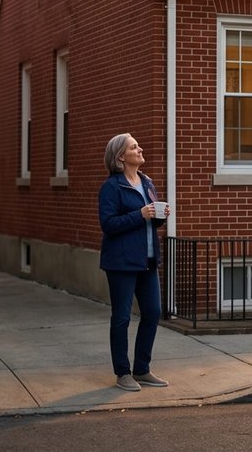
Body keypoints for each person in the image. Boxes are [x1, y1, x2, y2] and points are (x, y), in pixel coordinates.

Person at [98, 132, 170, 391]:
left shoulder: (147, 182)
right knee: (121, 318)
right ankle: (122, 373)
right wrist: (139, 215)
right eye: (134, 147)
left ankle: (142, 369)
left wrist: (160, 216)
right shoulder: (112, 187)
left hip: (147, 259)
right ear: (120, 157)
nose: (140, 150)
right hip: (121, 262)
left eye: (138, 146)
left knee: (153, 312)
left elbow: (150, 221)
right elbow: (108, 224)